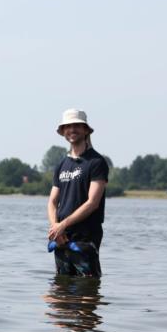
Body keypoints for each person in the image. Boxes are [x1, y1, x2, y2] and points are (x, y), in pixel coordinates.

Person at [47, 109, 109, 277]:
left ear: (85, 130)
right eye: (68, 126)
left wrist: (62, 225)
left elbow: (92, 203)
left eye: (77, 126)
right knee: (61, 287)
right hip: (62, 238)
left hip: (86, 238)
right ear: (63, 132)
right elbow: (52, 202)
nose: (72, 130)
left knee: (88, 287)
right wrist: (56, 228)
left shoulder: (96, 162)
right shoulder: (61, 164)